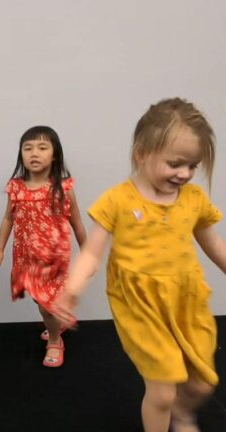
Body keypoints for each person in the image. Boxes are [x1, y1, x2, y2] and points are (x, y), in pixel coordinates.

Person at [53, 98, 226, 432]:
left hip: (186, 300)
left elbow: (214, 243)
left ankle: (183, 412)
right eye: (176, 163)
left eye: (193, 166)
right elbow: (91, 252)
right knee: (161, 391)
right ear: (141, 153)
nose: (185, 174)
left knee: (203, 383)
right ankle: (165, 414)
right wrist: (71, 289)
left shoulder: (193, 201)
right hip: (140, 304)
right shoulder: (117, 200)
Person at [0, 126, 86, 367]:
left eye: (42, 148)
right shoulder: (16, 188)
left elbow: (76, 220)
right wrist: (0, 249)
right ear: (21, 153)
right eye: (28, 148)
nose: (34, 153)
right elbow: (8, 218)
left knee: (47, 305)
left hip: (54, 258)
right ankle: (57, 321)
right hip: (26, 257)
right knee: (39, 300)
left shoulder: (63, 188)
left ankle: (55, 341)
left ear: (54, 155)